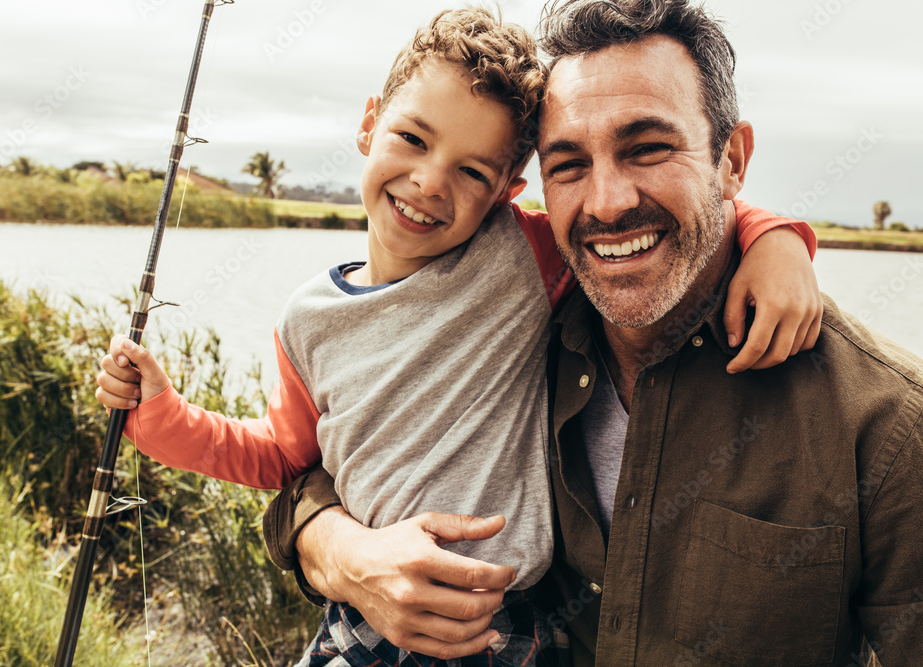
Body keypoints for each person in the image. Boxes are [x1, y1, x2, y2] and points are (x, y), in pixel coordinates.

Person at [95, 6, 821, 665]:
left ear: (508, 189)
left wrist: (776, 241)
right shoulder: (306, 321)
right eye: (412, 138)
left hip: (511, 630)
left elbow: (653, 218)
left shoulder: (525, 256)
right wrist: (159, 417)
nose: (429, 182)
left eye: (471, 170)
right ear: (369, 122)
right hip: (364, 622)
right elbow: (281, 457)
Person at [261, 0, 923, 665]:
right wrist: (344, 552)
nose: (606, 203)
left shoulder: (886, 426)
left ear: (732, 160)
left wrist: (775, 235)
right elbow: (316, 467)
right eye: (569, 163)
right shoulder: (522, 332)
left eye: (649, 148)